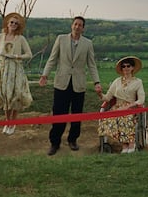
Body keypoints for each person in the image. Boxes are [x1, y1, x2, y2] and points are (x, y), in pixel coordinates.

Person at [39, 16, 102, 156]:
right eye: (75, 24)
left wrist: (97, 82)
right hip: (61, 83)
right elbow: (52, 59)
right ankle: (54, 142)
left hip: (78, 84)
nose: (77, 27)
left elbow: (92, 64)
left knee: (76, 114)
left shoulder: (87, 43)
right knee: (58, 114)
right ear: (71, 26)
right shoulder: (61, 39)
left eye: (80, 25)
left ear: (83, 28)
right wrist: (45, 75)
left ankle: (73, 140)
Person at [0, 13, 33, 135]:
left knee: (15, 96)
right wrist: (1, 53)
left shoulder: (20, 38)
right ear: (7, 24)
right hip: (3, 69)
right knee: (5, 96)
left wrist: (15, 56)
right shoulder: (0, 37)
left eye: (16, 23)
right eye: (11, 22)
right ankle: (7, 121)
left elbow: (29, 54)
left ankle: (13, 123)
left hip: (16, 69)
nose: (13, 24)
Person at [97, 56, 145, 153]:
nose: (126, 68)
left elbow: (141, 99)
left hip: (131, 107)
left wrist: (129, 106)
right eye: (123, 66)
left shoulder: (138, 82)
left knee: (125, 117)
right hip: (117, 107)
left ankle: (131, 143)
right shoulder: (117, 81)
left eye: (128, 66)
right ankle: (124, 145)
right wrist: (99, 93)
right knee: (108, 118)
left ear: (132, 68)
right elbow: (107, 98)